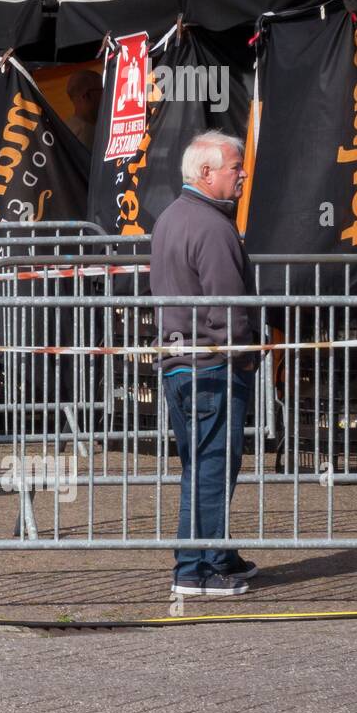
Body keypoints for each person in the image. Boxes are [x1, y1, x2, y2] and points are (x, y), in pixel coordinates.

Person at [151, 131, 258, 598]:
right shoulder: (213, 227)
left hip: (181, 359)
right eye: (236, 167)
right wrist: (247, 352)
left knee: (201, 464)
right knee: (211, 465)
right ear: (206, 172)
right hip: (212, 362)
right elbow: (227, 307)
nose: (242, 174)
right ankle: (196, 571)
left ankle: (211, 555)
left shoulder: (172, 217)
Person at [66, 69, 103, 149]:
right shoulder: (87, 135)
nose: (105, 96)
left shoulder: (65, 128)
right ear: (87, 95)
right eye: (102, 91)